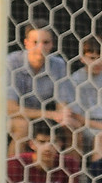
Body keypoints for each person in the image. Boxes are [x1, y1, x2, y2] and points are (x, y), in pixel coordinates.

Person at [7, 20, 79, 156]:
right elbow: (10, 109)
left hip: (44, 117)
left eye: (45, 43)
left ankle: (71, 175)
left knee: (73, 127)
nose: (40, 48)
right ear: (26, 43)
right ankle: (11, 175)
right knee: (23, 127)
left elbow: (62, 103)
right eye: (35, 43)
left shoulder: (58, 64)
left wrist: (63, 114)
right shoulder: (11, 63)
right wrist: (49, 114)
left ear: (52, 45)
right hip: (11, 117)